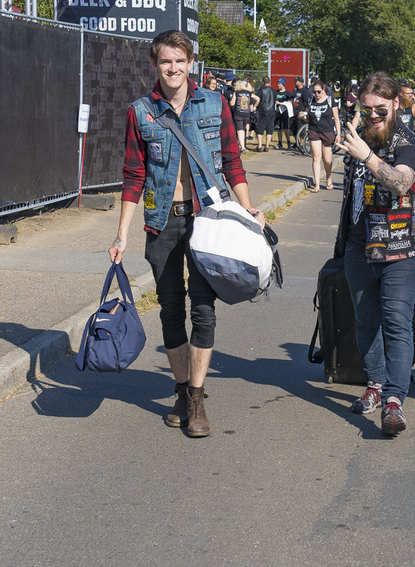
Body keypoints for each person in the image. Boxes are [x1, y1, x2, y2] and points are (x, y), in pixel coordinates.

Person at [108, 30, 264, 438]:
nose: (173, 68)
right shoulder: (141, 112)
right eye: (165, 62)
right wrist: (121, 234)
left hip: (207, 220)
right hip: (162, 221)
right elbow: (133, 177)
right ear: (155, 66)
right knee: (170, 308)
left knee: (203, 308)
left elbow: (232, 162)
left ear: (190, 63)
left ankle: (196, 398)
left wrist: (248, 209)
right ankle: (180, 391)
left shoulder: (214, 103)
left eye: (180, 61)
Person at [333, 71, 415, 436]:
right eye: (366, 108)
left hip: (400, 251)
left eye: (379, 109)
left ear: (396, 104)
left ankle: (394, 401)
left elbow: (403, 181)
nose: (372, 115)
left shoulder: (408, 143)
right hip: (359, 249)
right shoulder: (359, 137)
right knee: (365, 321)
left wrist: (367, 156)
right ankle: (374, 385)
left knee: (397, 324)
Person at [306, 80, 341, 192]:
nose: (316, 94)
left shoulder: (330, 101)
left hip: (327, 132)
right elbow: (308, 117)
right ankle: (317, 185)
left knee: (327, 159)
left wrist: (339, 134)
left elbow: (336, 118)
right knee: (316, 157)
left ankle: (328, 177)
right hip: (314, 131)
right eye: (314, 92)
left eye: (318, 92)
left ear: (323, 90)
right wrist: (303, 117)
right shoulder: (310, 100)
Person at [229, 79, 259, 152]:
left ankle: (242, 147)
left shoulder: (236, 93)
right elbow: (257, 98)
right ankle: (241, 145)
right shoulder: (248, 93)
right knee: (243, 130)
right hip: (246, 114)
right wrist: (255, 106)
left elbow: (232, 104)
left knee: (239, 131)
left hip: (238, 114)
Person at [255, 76, 276, 152]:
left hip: (263, 111)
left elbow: (258, 100)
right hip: (272, 111)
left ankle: (260, 146)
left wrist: (255, 107)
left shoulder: (261, 90)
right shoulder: (274, 91)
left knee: (259, 129)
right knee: (269, 129)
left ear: (263, 82)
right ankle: (267, 146)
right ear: (270, 82)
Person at [274, 78, 295, 149]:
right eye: (278, 84)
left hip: (285, 113)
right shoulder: (276, 92)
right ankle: (280, 143)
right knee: (279, 128)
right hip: (278, 113)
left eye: (279, 84)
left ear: (283, 85)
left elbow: (289, 102)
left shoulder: (287, 93)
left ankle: (288, 143)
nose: (278, 85)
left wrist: (280, 103)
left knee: (286, 128)